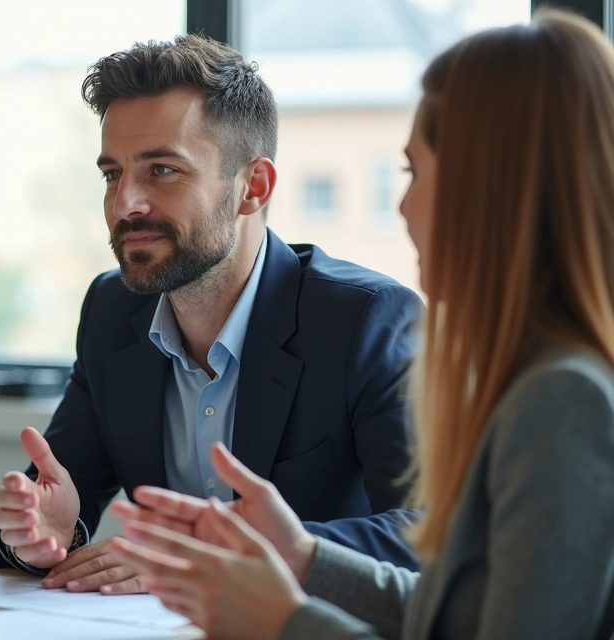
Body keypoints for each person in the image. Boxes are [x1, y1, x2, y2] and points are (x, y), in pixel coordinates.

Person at [108, 10, 614, 639]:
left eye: (416, 172)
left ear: (495, 191)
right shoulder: (538, 380)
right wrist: (302, 558)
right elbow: (460, 614)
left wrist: (285, 622)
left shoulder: (565, 400)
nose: (403, 206)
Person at [0, 34, 425, 595]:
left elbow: (431, 536)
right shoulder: (112, 312)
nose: (125, 204)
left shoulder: (365, 320)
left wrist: (209, 557)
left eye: (162, 170)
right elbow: (49, 504)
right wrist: (41, 534)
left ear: (253, 187)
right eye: (112, 174)